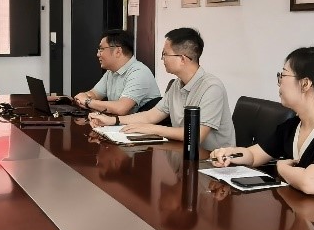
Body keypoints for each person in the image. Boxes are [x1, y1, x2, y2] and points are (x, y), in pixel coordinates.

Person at [208, 47, 314, 207]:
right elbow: (254, 155)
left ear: (305, 84)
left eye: (283, 75)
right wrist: (229, 154)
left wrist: (282, 168)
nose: (279, 83)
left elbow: (311, 183)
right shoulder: (292, 126)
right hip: (307, 212)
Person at [88, 27, 234, 151]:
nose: (162, 59)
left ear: (182, 59)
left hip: (214, 162)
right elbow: (151, 116)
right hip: (184, 153)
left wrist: (152, 128)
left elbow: (196, 135)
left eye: (165, 54)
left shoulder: (212, 87)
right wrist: (112, 120)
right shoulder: (177, 84)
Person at [70, 29, 161, 117]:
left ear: (118, 51)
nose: (98, 54)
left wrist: (87, 101)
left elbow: (121, 108)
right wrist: (84, 96)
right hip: (120, 124)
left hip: (141, 126)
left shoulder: (139, 72)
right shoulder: (111, 72)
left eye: (101, 49)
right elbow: (94, 94)